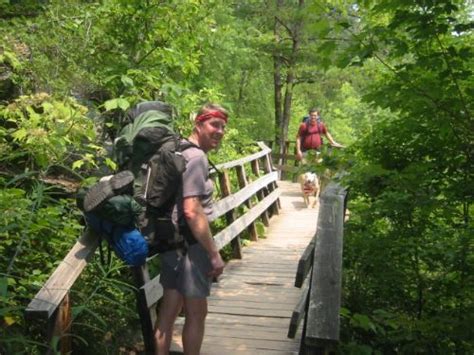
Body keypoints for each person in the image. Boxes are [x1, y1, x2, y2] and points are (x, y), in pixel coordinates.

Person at [154, 103, 227, 355]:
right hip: (190, 246)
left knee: (167, 315)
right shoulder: (196, 157)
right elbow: (192, 210)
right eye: (214, 124)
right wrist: (213, 253)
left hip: (171, 242)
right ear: (198, 124)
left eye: (223, 127)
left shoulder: (180, 150)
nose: (220, 131)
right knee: (197, 313)